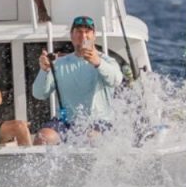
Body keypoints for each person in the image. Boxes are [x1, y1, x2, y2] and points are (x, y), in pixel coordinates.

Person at [31, 15, 123, 145]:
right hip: (66, 122)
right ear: (72, 36)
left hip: (99, 122)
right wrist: (44, 70)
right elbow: (39, 94)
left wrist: (98, 63)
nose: (83, 35)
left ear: (94, 36)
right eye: (79, 31)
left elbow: (116, 80)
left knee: (91, 137)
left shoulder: (107, 61)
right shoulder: (59, 64)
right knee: (42, 137)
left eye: (87, 31)